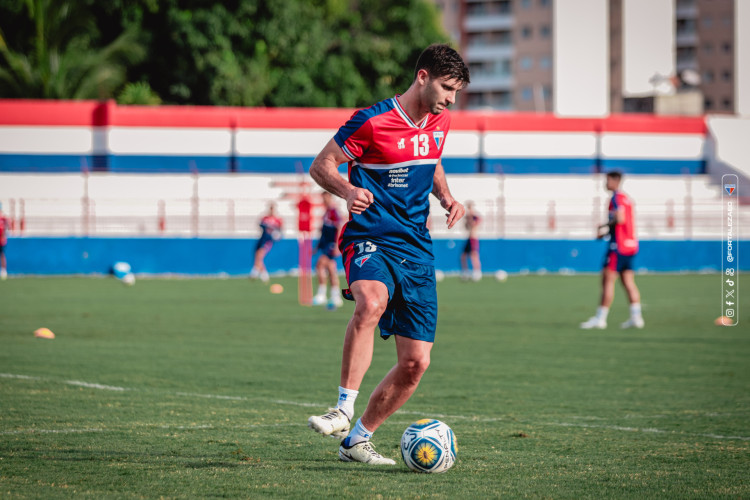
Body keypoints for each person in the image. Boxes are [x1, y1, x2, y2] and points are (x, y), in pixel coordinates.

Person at [306, 43, 470, 465]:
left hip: (417, 246)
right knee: (372, 301)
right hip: (371, 235)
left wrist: (447, 196)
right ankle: (343, 407)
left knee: (416, 362)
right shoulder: (371, 121)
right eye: (447, 88)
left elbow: (430, 159)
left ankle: (357, 440)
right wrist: (348, 190)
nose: (451, 99)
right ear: (423, 77)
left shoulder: (440, 119)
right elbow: (322, 165)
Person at [581, 171, 645, 330]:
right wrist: (606, 232)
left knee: (607, 280)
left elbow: (620, 219)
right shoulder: (627, 198)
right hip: (630, 245)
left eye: (607, 180)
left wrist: (602, 226)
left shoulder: (616, 198)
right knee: (628, 282)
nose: (605, 183)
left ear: (615, 181)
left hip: (618, 247)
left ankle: (600, 318)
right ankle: (636, 317)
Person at [312, 192, 344, 309]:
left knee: (320, 265)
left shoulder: (333, 211)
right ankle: (335, 296)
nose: (323, 200)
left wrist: (336, 244)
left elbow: (340, 226)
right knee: (331, 269)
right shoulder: (326, 212)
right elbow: (323, 231)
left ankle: (321, 295)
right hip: (325, 245)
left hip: (331, 245)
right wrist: (317, 247)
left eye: (325, 198)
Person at [249, 202, 282, 283]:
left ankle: (258, 273)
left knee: (260, 255)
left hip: (268, 240)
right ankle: (259, 272)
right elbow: (260, 225)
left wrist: (276, 235)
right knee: (257, 255)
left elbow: (279, 231)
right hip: (262, 239)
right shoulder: (264, 218)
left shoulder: (277, 220)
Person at [460, 201, 482, 281]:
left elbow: (474, 224)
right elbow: (466, 227)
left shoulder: (475, 216)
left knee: (474, 255)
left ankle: (477, 273)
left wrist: (470, 218)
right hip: (469, 238)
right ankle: (465, 272)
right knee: (463, 256)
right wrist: (467, 219)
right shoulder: (468, 217)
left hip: (474, 238)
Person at [0, 202, 9, 280]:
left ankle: (3, 271)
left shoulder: (4, 218)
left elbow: (6, 229)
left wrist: (3, 237)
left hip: (1, 241)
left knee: (2, 255)